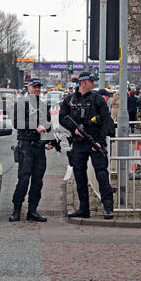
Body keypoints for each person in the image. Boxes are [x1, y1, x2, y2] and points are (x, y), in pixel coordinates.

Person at [59, 71, 114, 220]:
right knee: (79, 175)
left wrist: (100, 141)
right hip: (78, 143)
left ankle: (108, 208)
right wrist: (74, 129)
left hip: (94, 141)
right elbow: (62, 118)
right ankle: (84, 209)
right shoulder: (70, 99)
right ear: (83, 83)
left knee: (101, 174)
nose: (94, 83)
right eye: (91, 81)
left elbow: (106, 120)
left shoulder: (97, 99)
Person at [9, 78, 59, 222]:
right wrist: (34, 126)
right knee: (23, 180)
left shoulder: (43, 104)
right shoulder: (21, 102)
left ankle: (32, 211)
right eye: (35, 87)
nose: (37, 89)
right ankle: (16, 210)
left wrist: (51, 141)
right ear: (29, 87)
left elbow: (48, 124)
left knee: (38, 181)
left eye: (39, 87)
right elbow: (16, 123)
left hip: (39, 147)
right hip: (26, 146)